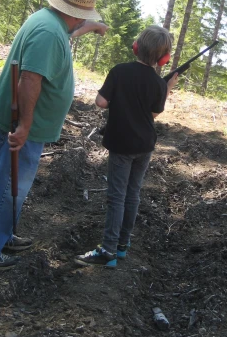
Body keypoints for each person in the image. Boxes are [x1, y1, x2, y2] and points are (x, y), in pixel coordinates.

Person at [0, 0, 107, 271]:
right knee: (6, 185)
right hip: (22, 126)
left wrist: (92, 28)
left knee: (9, 183)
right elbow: (29, 80)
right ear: (76, 13)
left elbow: (67, 34)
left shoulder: (51, 22)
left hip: (27, 125)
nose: (84, 21)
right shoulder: (49, 32)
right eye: (85, 17)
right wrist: (25, 127)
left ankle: (0, 235)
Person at [76, 25, 178, 268]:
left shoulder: (119, 71)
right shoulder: (158, 83)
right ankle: (122, 246)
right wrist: (166, 88)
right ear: (163, 59)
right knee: (133, 194)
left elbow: (101, 102)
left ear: (135, 48)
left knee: (116, 197)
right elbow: (153, 113)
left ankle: (108, 251)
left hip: (122, 145)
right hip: (145, 145)